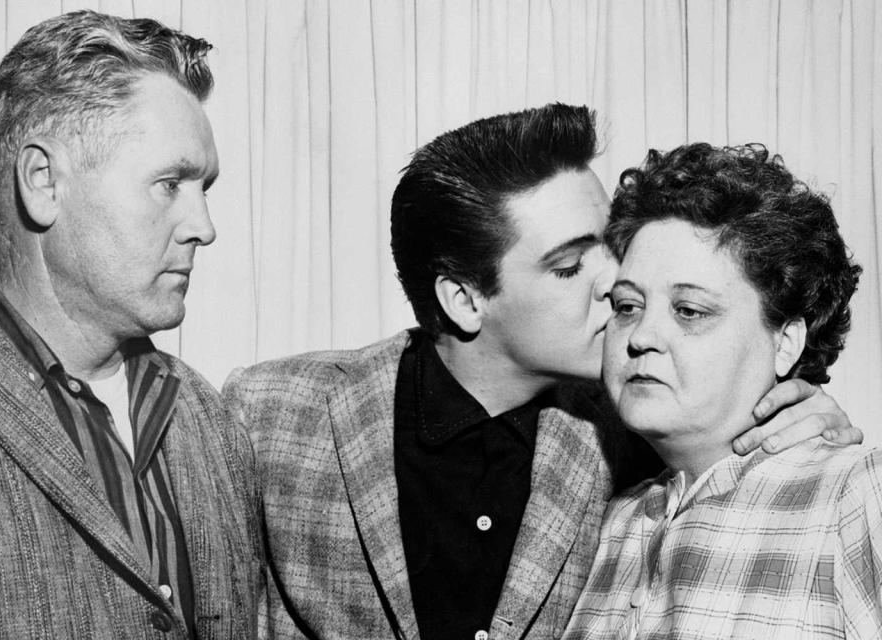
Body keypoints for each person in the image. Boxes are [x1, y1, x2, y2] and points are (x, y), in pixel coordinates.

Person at [223, 105, 857, 640]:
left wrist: (803, 412)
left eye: (609, 248)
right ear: (464, 299)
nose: (615, 282)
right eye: (567, 266)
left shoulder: (638, 426)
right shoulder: (270, 413)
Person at [0, 11, 261, 639]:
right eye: (170, 183)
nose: (204, 227)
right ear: (43, 183)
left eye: (204, 188)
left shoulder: (211, 422)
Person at [562, 143, 880, 638]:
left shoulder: (856, 494)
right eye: (627, 306)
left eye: (689, 311)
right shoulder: (613, 525)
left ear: (786, 343)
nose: (641, 336)